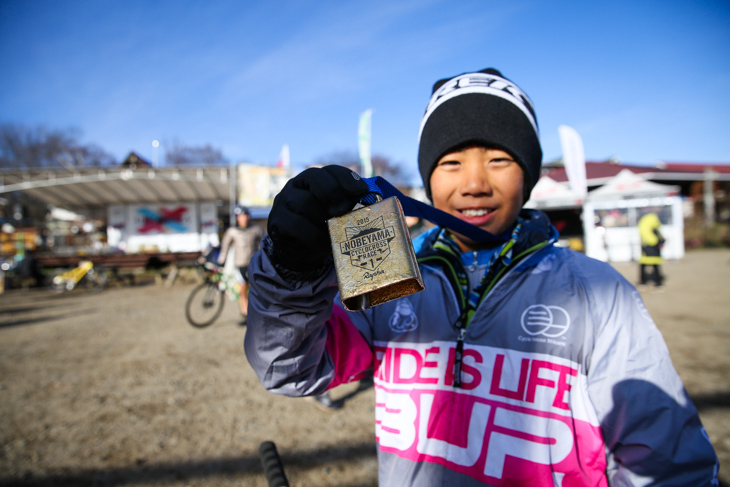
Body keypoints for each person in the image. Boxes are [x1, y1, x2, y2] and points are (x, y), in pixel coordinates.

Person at [244, 69, 719, 485]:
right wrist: (292, 272)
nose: (474, 183)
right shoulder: (387, 287)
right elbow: (288, 369)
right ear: (426, 179)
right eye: (451, 162)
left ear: (529, 175)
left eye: (499, 160)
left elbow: (668, 461)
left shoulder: (595, 290)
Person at [217, 205, 263, 323]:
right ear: (238, 218)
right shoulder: (232, 231)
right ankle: (245, 314)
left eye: (246, 216)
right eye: (242, 216)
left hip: (254, 265)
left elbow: (266, 243)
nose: (244, 219)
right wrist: (221, 261)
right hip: (240, 265)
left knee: (255, 291)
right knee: (242, 290)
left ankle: (257, 313)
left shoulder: (256, 229)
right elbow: (225, 247)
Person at [638, 211, 665, 289]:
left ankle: (644, 281)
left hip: (647, 249)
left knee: (645, 266)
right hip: (652, 250)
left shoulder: (644, 224)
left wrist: (653, 242)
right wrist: (657, 243)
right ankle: (658, 282)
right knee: (655, 266)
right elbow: (660, 238)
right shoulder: (654, 227)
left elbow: (649, 238)